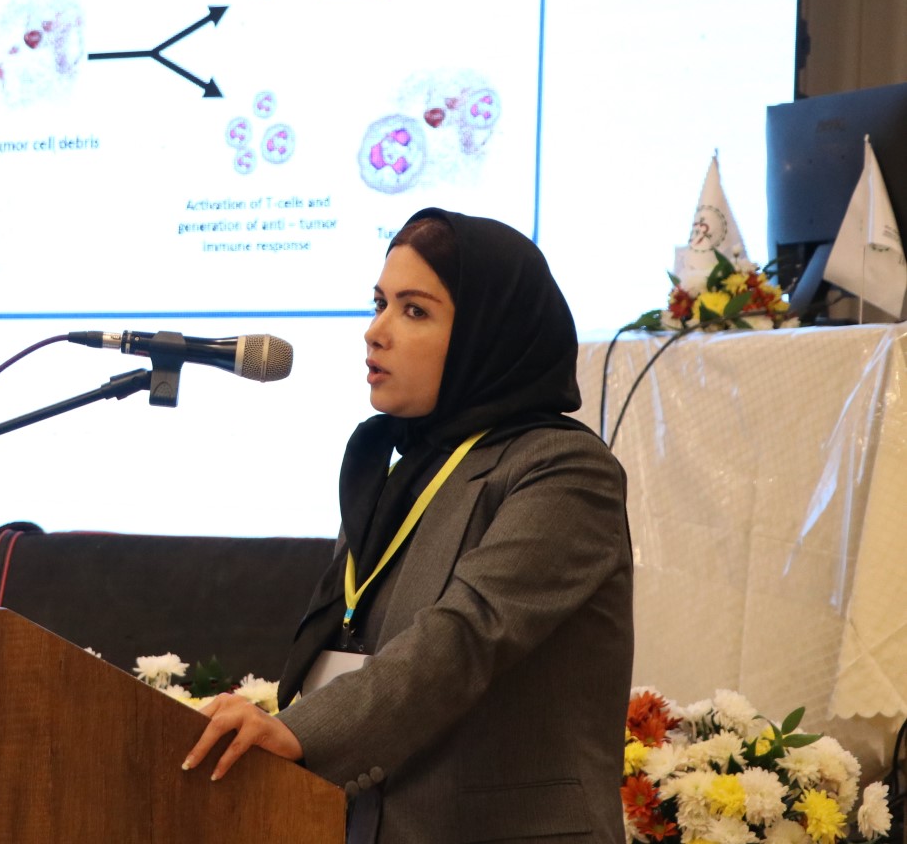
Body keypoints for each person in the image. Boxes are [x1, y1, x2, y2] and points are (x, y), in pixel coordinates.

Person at [182, 208, 633, 843]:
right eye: (379, 304)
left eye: (414, 310)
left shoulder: (565, 469)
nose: (376, 332)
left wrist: (301, 732)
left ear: (486, 333)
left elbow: (464, 637)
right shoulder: (399, 470)